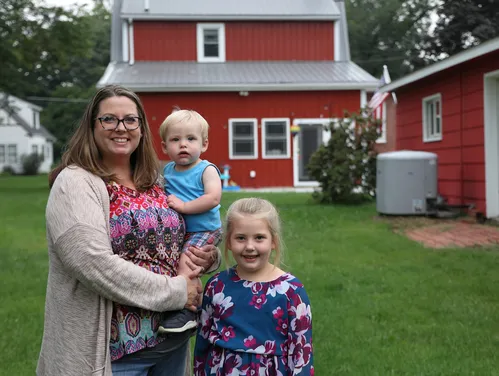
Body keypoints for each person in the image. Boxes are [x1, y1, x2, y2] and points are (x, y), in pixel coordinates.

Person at [37, 85, 221, 376]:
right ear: (92, 126)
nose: (120, 127)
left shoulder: (155, 181)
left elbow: (182, 235)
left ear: (141, 128)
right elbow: (92, 264)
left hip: (168, 345)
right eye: (109, 119)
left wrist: (207, 257)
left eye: (130, 120)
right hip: (114, 354)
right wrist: (176, 291)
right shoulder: (75, 183)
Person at [193, 198, 314, 375]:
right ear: (228, 241)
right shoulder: (217, 286)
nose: (249, 247)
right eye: (241, 238)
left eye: (259, 238)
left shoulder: (291, 291)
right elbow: (203, 344)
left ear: (273, 241)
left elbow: (302, 353)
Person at [157, 109, 222, 334]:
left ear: (204, 144)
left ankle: (188, 311)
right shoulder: (168, 170)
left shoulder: (206, 169)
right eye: (175, 140)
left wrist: (183, 207)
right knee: (183, 264)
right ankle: (200, 305)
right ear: (165, 147)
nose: (183, 145)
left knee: (187, 264)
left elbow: (213, 198)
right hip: (185, 231)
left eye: (190, 139)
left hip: (204, 228)